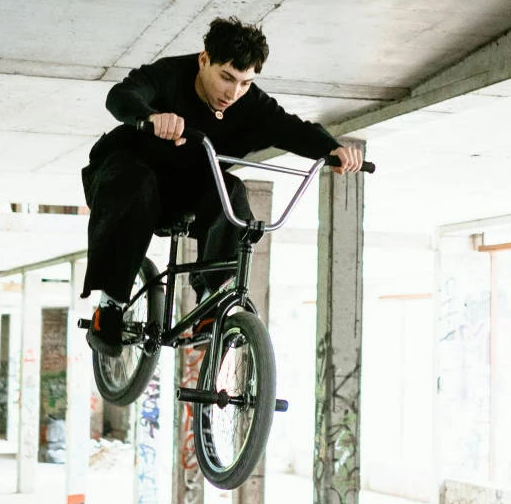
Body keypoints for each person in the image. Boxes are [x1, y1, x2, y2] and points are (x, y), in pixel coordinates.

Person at [82, 17, 364, 347]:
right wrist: (150, 116)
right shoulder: (169, 76)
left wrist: (333, 148)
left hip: (182, 192)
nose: (233, 93)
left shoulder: (251, 103)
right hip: (123, 180)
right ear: (204, 60)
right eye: (226, 78)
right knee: (137, 182)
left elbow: (292, 129)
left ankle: (208, 301)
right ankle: (110, 306)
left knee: (232, 192)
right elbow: (122, 95)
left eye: (245, 83)